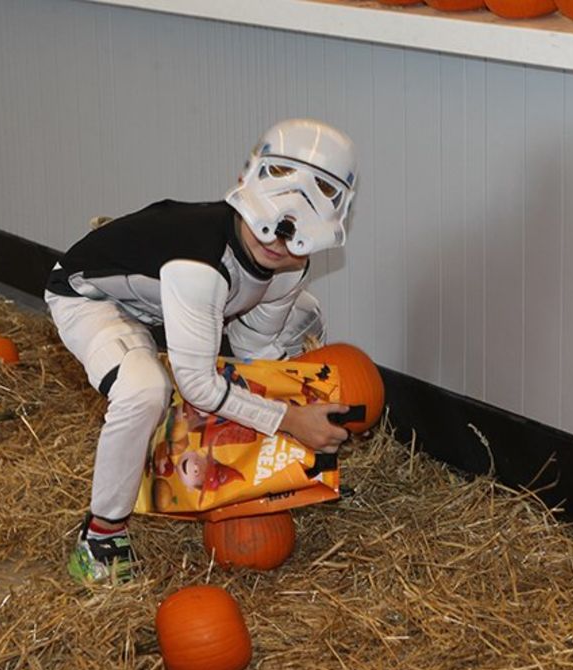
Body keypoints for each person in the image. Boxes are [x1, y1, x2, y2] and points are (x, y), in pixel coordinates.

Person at [45, 118, 358, 583]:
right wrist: (292, 420)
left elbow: (255, 356)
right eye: (268, 228)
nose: (277, 245)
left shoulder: (291, 269)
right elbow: (197, 385)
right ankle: (101, 536)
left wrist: (292, 420)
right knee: (145, 389)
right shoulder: (199, 263)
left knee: (301, 318)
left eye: (294, 238)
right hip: (94, 301)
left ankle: (278, 476)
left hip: (171, 307)